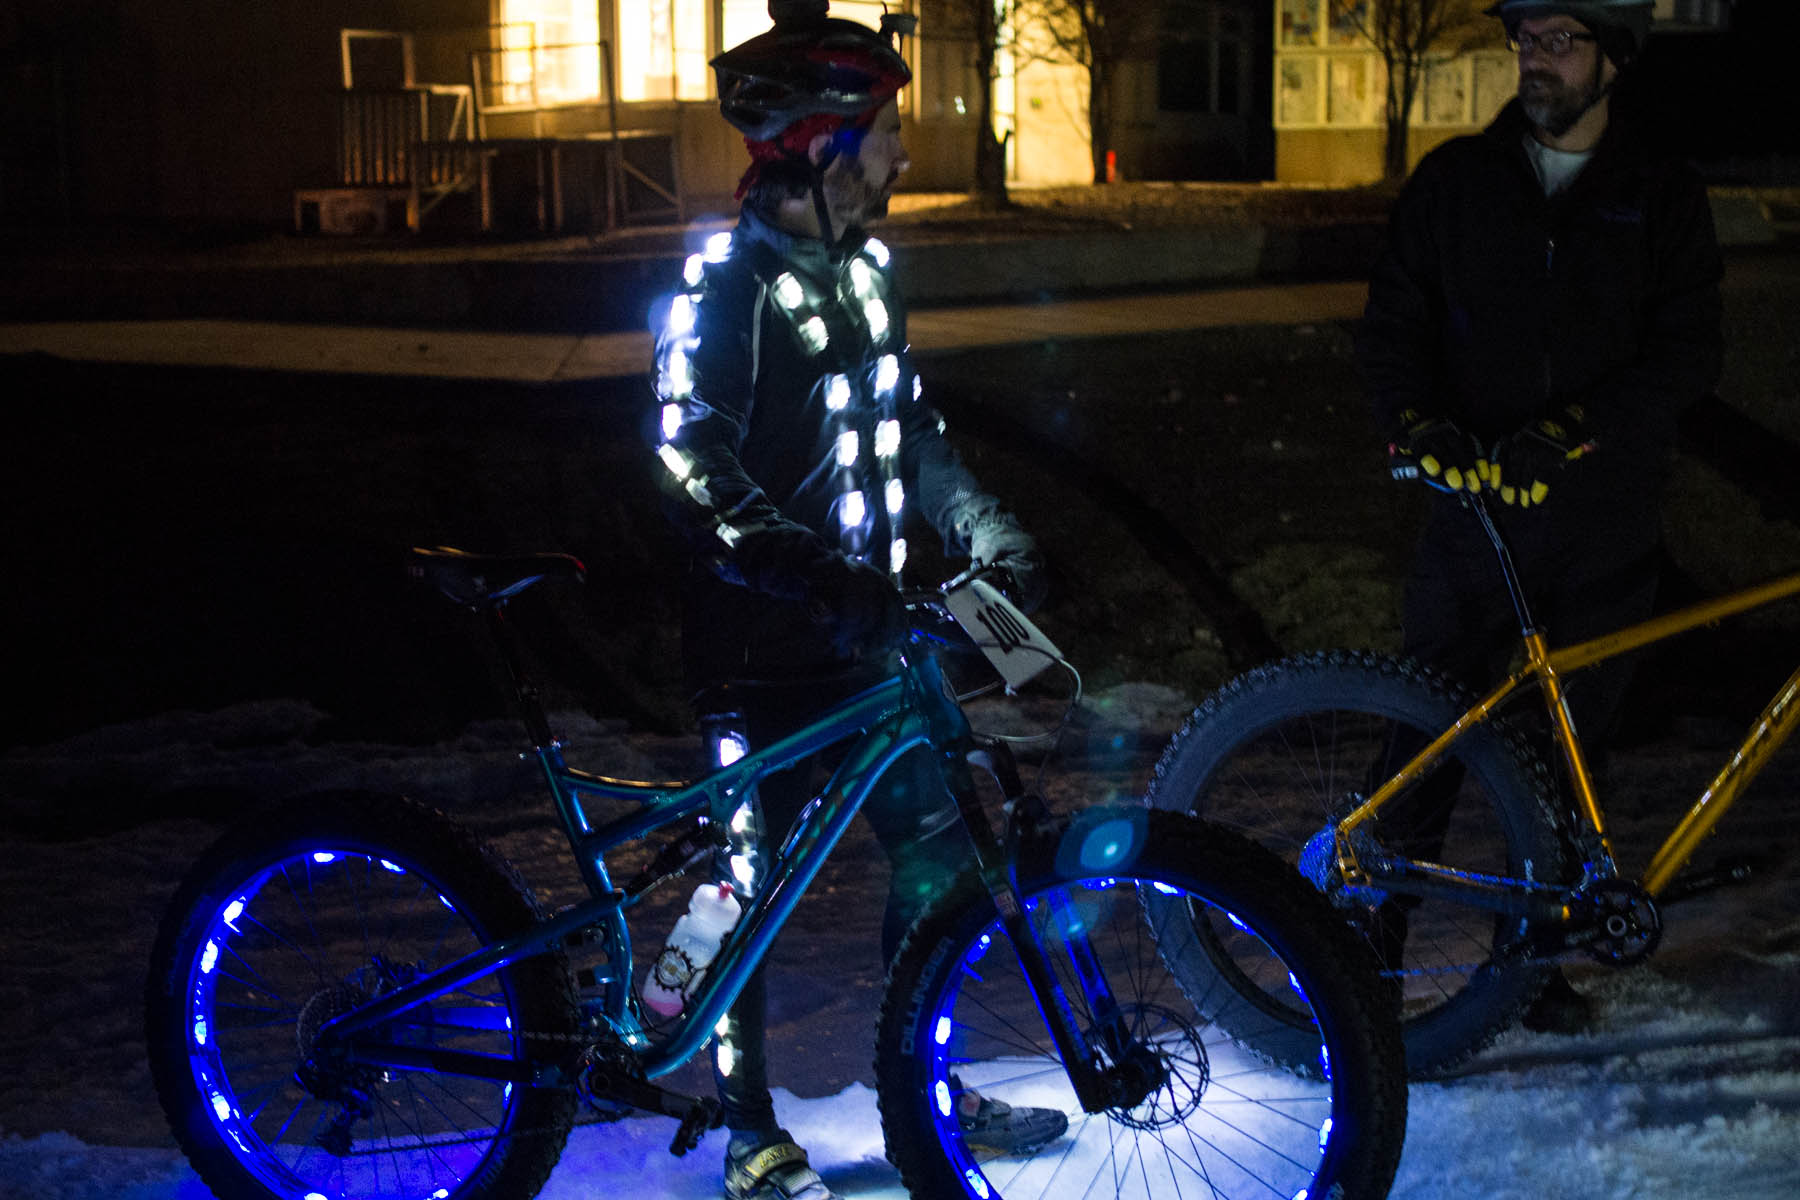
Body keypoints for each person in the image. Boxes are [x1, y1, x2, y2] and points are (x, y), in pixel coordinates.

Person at [648, 3, 1062, 1196]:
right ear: (824, 147)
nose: (903, 152)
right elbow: (689, 459)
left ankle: (924, 1088)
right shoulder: (728, 290)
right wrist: (810, 571)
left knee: (940, 867)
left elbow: (911, 434)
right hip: (761, 659)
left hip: (871, 651)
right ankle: (745, 1129)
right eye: (885, 130)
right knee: (743, 893)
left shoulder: (868, 274)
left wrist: (983, 522)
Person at [1356, 0, 1723, 1032]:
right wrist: (1419, 424)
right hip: (1473, 520)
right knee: (1427, 734)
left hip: (1602, 522)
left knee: (1569, 755)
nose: (1536, 59)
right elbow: (1393, 325)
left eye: (1561, 40)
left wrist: (1575, 431)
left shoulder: (1659, 192)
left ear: (1614, 57)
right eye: (1526, 40)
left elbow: (1688, 353)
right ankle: (1364, 951)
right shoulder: (1457, 182)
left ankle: (1535, 959)